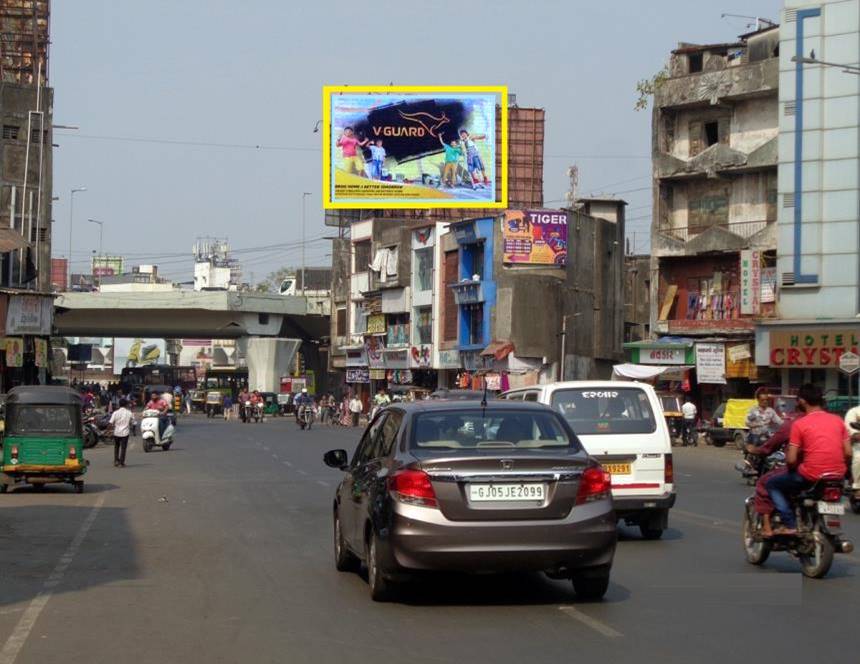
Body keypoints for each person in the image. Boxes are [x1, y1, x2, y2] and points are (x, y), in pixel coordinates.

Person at [765, 384, 851, 536]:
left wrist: (793, 466)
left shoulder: (800, 424)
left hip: (811, 475)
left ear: (802, 401)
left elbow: (791, 459)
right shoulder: (838, 420)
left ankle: (790, 524)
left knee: (772, 484)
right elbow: (848, 453)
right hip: (837, 476)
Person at [748, 403, 805, 537]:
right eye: (763, 399)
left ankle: (769, 526)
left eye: (766, 399)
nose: (764, 401)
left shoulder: (792, 422)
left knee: (766, 483)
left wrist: (759, 450)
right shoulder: (752, 410)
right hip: (757, 436)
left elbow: (776, 438)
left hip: (802, 467)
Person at [109, 398, 135, 468]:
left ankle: (116, 461)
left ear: (119, 404)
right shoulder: (129, 413)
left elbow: (111, 423)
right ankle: (121, 462)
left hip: (116, 432)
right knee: (123, 448)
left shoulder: (115, 412)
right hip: (125, 433)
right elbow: (133, 423)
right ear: (126, 404)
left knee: (116, 447)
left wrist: (109, 431)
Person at [844, 402, 860, 499]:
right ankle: (858, 487)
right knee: (859, 457)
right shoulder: (853, 412)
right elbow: (855, 435)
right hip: (857, 446)